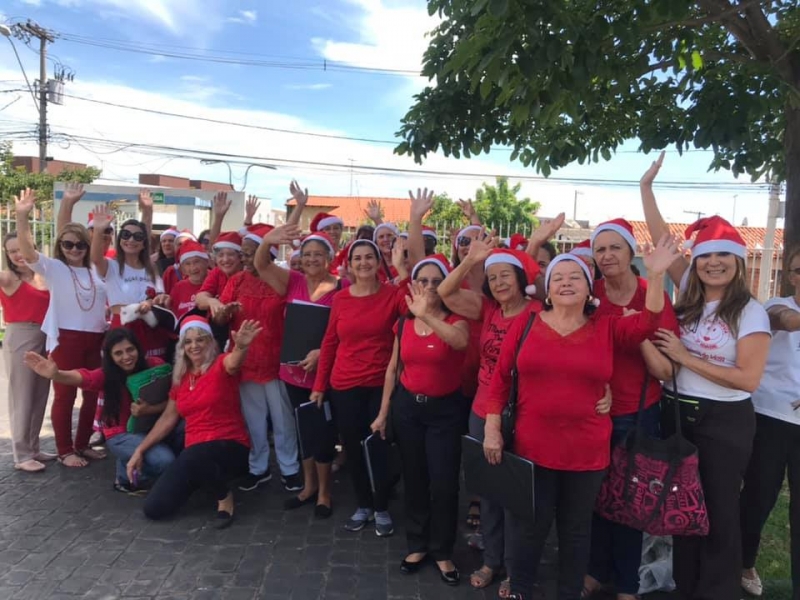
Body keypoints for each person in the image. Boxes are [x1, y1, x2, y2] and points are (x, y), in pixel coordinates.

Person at [484, 238, 677, 600]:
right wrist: (492, 428)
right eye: (559, 278)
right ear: (548, 290)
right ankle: (520, 589)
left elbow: (647, 325)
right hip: (531, 448)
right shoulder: (526, 324)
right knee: (529, 527)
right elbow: (499, 380)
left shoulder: (605, 327)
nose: (567, 282)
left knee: (576, 530)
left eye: (577, 277)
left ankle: (569, 592)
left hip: (586, 452)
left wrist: (655, 274)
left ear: (590, 289)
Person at [643, 152, 771, 600]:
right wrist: (647, 190)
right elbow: (662, 243)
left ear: (738, 263)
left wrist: (684, 357)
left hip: (724, 422)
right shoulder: (689, 296)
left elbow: (747, 379)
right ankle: (687, 588)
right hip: (679, 414)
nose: (713, 263)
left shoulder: (750, 312)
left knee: (717, 512)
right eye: (705, 257)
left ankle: (717, 591)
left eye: (723, 256)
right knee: (683, 510)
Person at [583, 218, 679, 600]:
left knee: (629, 502)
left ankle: (627, 583)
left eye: (614, 248)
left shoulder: (650, 293)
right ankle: (595, 569)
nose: (606, 256)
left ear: (630, 252)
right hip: (594, 411)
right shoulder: (590, 296)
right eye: (600, 249)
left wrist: (635, 332)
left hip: (639, 412)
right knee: (594, 496)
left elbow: (666, 370)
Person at [373, 255, 468, 585]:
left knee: (443, 482)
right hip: (408, 409)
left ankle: (442, 550)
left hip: (445, 412)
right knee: (414, 478)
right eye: (422, 280)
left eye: (435, 281)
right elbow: (393, 368)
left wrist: (427, 313)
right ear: (413, 284)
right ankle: (417, 543)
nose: (429, 286)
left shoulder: (458, 319)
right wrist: (384, 412)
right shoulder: (403, 323)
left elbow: (459, 343)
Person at [311, 239, 409, 536]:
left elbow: (414, 308)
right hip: (344, 384)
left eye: (370, 257)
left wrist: (401, 267)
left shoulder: (393, 295)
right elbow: (329, 343)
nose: (364, 263)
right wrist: (319, 385)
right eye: (358, 258)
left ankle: (381, 506)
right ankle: (364, 504)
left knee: (378, 447)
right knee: (352, 448)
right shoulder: (340, 298)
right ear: (349, 264)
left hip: (381, 385)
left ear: (379, 263)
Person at [127, 316, 260, 526]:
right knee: (154, 508)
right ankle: (206, 479)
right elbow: (168, 418)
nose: (194, 345)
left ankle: (224, 497)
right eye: (188, 341)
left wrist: (241, 347)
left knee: (193, 454)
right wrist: (140, 450)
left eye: (200, 339)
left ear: (210, 342)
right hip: (195, 453)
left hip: (231, 446)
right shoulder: (182, 378)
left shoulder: (220, 364)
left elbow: (234, 362)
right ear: (182, 347)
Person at [256, 226, 347, 517]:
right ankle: (308, 487)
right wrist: (267, 241)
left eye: (317, 254)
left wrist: (323, 353)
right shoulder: (293, 281)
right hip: (293, 374)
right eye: (306, 254)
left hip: (325, 374)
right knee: (303, 430)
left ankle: (324, 492)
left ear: (329, 258)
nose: (310, 259)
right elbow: (260, 265)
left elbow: (348, 330)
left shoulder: (342, 287)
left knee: (322, 433)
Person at [15, 188, 109, 468]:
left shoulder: (97, 268)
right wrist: (22, 216)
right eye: (68, 244)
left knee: (92, 393)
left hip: (96, 338)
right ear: (60, 246)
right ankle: (65, 449)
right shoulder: (55, 268)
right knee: (65, 395)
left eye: (80, 243)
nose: (75, 249)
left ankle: (82, 444)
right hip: (66, 339)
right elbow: (28, 250)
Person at [24, 328, 179, 491]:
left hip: (153, 427)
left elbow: (174, 402)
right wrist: (57, 375)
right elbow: (83, 377)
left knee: (184, 433)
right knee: (165, 461)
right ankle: (126, 477)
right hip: (121, 434)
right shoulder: (106, 375)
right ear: (110, 357)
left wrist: (150, 409)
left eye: (130, 349)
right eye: (118, 353)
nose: (126, 357)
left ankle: (132, 460)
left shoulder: (156, 366)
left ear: (138, 348)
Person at [216, 223, 302, 493]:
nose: (246, 259)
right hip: (245, 359)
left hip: (276, 361)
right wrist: (224, 311)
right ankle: (258, 467)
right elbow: (219, 318)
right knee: (253, 419)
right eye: (244, 254)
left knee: (282, 419)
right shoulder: (236, 281)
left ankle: (290, 468)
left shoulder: (281, 279)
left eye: (251, 253)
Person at [739, 245, 800, 599]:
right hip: (771, 418)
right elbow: (786, 321)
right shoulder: (775, 308)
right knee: (759, 497)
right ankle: (744, 563)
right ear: (789, 275)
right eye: (796, 270)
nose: (799, 276)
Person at [89, 200, 168, 359]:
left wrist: (150, 303)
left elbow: (160, 296)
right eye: (126, 235)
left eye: (137, 236)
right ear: (119, 239)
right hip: (122, 327)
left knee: (147, 378)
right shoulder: (111, 266)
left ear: (144, 243)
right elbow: (95, 258)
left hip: (149, 327)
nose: (131, 240)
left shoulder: (152, 268)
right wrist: (98, 230)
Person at [0, 230, 52, 472]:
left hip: (45, 335)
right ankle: (21, 454)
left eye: (21, 248)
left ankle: (32, 447)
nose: (18, 255)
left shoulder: (43, 275)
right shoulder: (9, 278)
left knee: (40, 393)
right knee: (21, 395)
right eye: (12, 251)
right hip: (21, 334)